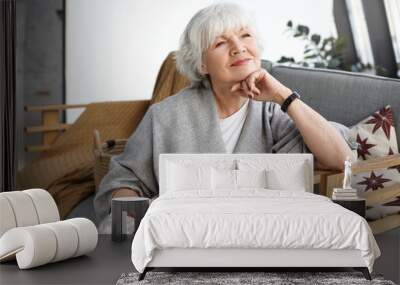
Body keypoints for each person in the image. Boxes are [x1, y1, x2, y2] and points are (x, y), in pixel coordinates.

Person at [94, 3, 355, 224]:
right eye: (220, 42)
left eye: (245, 36)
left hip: (261, 236)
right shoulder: (165, 116)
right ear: (201, 64)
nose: (238, 47)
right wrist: (151, 221)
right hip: (182, 237)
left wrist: (283, 96)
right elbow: (122, 181)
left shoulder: (274, 113)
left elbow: (340, 159)